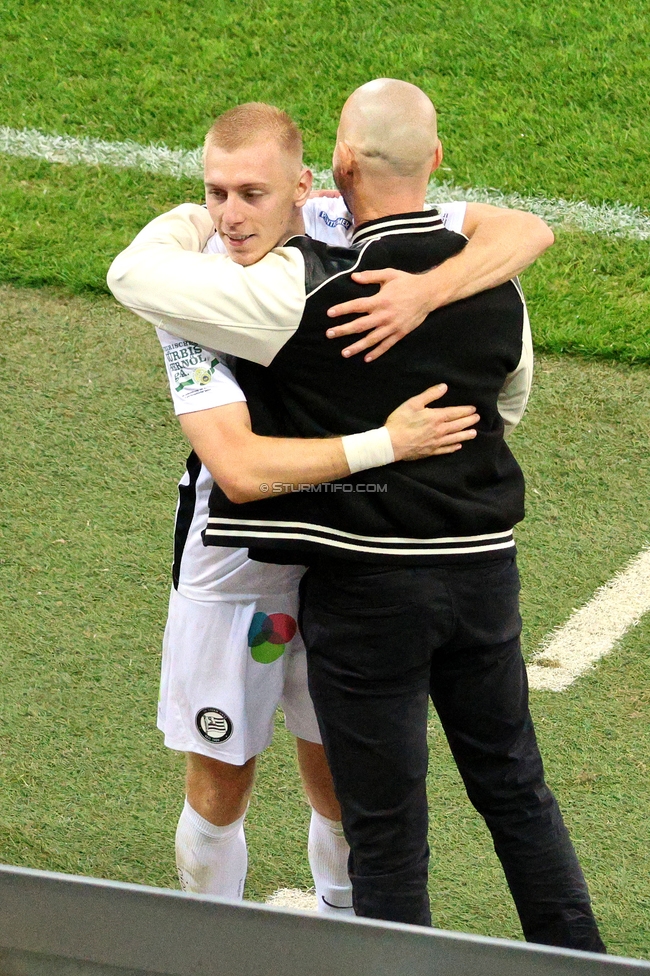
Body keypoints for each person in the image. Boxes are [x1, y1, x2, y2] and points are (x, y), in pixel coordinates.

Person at [107, 86, 605, 952]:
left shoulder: (322, 265)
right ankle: (217, 951)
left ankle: (344, 948)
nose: (230, 216)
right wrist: (392, 446)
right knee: (224, 782)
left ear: (314, 184)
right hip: (240, 565)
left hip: (347, 575)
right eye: (215, 194)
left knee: (344, 789)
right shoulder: (194, 303)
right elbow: (240, 470)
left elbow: (516, 232)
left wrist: (424, 298)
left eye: (252, 194)